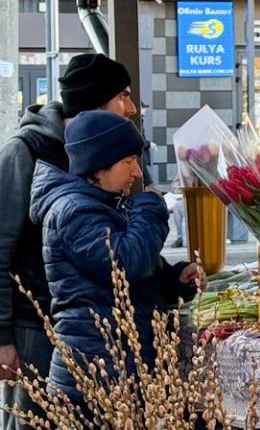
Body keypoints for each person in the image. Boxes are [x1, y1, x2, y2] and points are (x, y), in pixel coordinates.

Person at [28, 111, 203, 407]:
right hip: (95, 378)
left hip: (117, 370)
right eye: (128, 162)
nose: (136, 172)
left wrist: (174, 278)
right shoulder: (73, 211)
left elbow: (132, 279)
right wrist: (151, 208)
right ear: (97, 168)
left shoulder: (103, 203)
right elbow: (127, 264)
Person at [0, 53, 137, 429]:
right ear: (96, 100)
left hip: (84, 331)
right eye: (123, 96)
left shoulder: (110, 151)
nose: (132, 107)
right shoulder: (26, 150)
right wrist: (2, 336)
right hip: (34, 329)